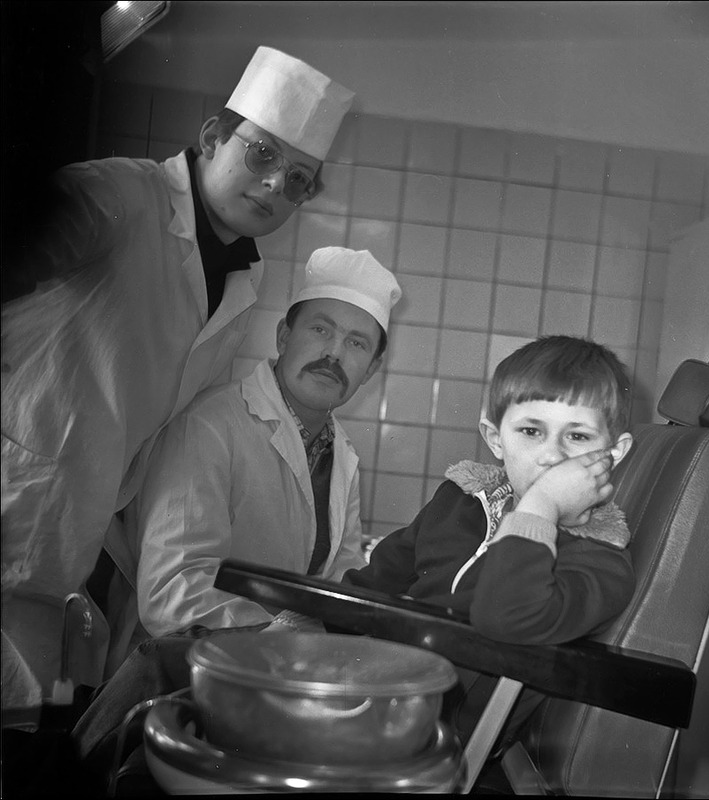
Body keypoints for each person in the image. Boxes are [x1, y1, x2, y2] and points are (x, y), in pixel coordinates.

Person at [1, 46, 355, 712]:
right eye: (262, 154)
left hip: (68, 534)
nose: (275, 186)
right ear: (213, 137)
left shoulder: (242, 277)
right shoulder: (118, 195)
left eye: (298, 179)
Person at [343, 335, 637, 752]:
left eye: (577, 437)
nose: (551, 456)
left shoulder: (599, 561)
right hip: (374, 688)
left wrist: (541, 504)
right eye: (531, 431)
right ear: (496, 439)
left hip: (436, 736)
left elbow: (508, 619)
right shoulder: (459, 501)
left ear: (614, 452)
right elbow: (375, 581)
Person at [120, 246, 401, 650]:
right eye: (320, 330)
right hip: (188, 667)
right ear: (284, 336)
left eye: (357, 344)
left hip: (276, 667)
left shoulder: (341, 456)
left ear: (371, 369)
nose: (334, 353)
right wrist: (286, 639)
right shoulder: (209, 425)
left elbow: (343, 581)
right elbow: (173, 592)